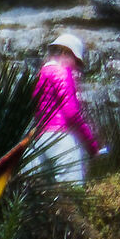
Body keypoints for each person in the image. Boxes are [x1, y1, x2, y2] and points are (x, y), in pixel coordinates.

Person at [34, 33, 101, 184]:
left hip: (40, 140)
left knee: (46, 195)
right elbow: (71, 114)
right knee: (71, 195)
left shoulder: (40, 74)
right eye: (76, 61)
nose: (76, 67)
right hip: (61, 141)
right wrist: (92, 146)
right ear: (65, 52)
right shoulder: (62, 73)